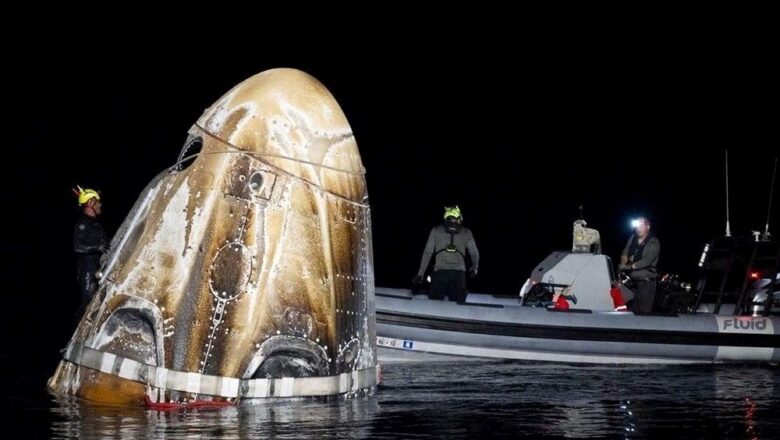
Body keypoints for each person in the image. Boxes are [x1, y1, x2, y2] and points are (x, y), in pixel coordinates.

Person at [413, 206, 479, 302]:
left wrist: (420, 274)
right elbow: (474, 253)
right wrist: (475, 268)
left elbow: (427, 253)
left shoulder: (436, 230)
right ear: (458, 218)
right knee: (458, 308)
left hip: (439, 276)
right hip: (459, 277)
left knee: (434, 306)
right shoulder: (466, 232)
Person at [72, 186, 108, 315]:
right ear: (91, 203)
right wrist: (97, 247)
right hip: (88, 271)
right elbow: (78, 247)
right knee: (88, 306)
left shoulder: (96, 224)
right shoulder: (83, 222)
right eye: (98, 201)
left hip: (98, 268)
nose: (100, 204)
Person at [619, 216, 660, 314]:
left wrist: (628, 266)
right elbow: (625, 252)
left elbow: (646, 261)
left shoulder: (654, 242)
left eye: (641, 226)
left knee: (643, 314)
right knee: (631, 312)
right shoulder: (633, 238)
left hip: (646, 285)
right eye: (637, 226)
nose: (638, 229)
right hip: (633, 284)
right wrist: (623, 263)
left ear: (648, 227)